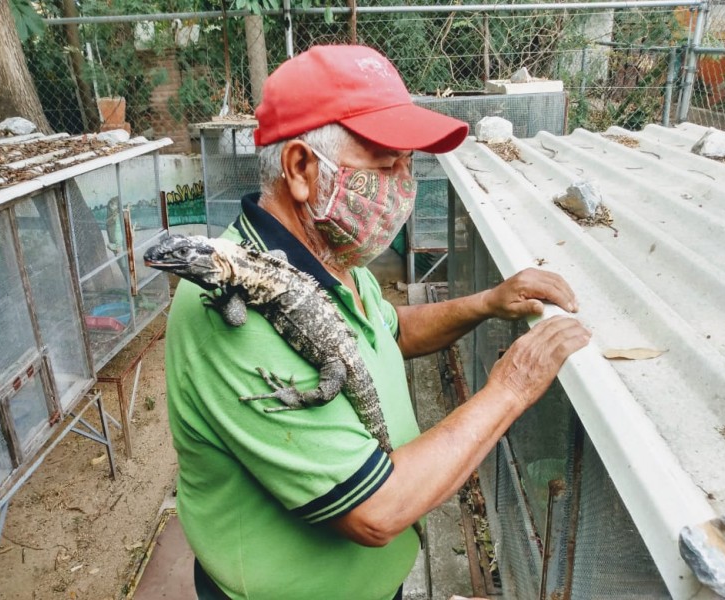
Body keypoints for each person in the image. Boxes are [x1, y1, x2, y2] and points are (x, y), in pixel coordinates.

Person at [165, 44, 591, 600]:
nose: (404, 184)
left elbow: (385, 331)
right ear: (300, 168)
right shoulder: (234, 315)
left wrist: (488, 302)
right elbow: (375, 511)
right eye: (386, 163)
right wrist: (511, 387)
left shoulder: (326, 257)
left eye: (409, 164)